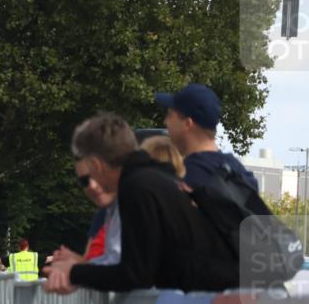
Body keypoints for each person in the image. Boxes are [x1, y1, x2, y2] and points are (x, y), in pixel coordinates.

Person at [43, 113, 239, 294]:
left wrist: (74, 273)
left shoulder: (136, 186)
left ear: (96, 165)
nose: (90, 186)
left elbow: (135, 275)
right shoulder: (151, 177)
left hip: (224, 301)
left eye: (85, 178)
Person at [156, 83, 258, 196]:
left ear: (187, 123)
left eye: (170, 115)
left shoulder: (187, 178)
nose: (166, 122)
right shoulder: (241, 175)